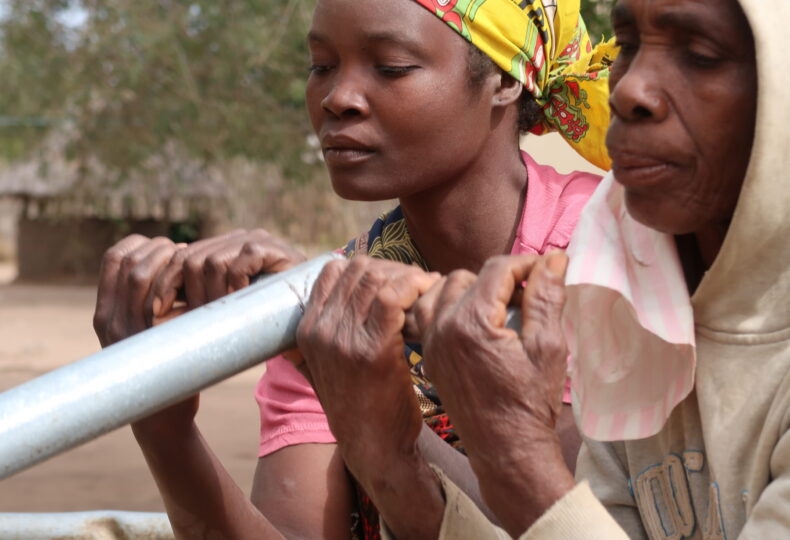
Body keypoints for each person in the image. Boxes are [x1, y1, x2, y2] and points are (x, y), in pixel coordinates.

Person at [92, 0, 615, 538]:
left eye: (390, 67)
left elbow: (566, 519)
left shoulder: (611, 253)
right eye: (321, 66)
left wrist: (341, 375)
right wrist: (163, 426)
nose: (337, 99)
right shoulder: (328, 294)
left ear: (504, 80)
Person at [349, 0, 787, 537]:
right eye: (627, 47)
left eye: (698, 55)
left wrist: (513, 446)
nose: (627, 89)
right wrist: (391, 448)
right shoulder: (638, 310)